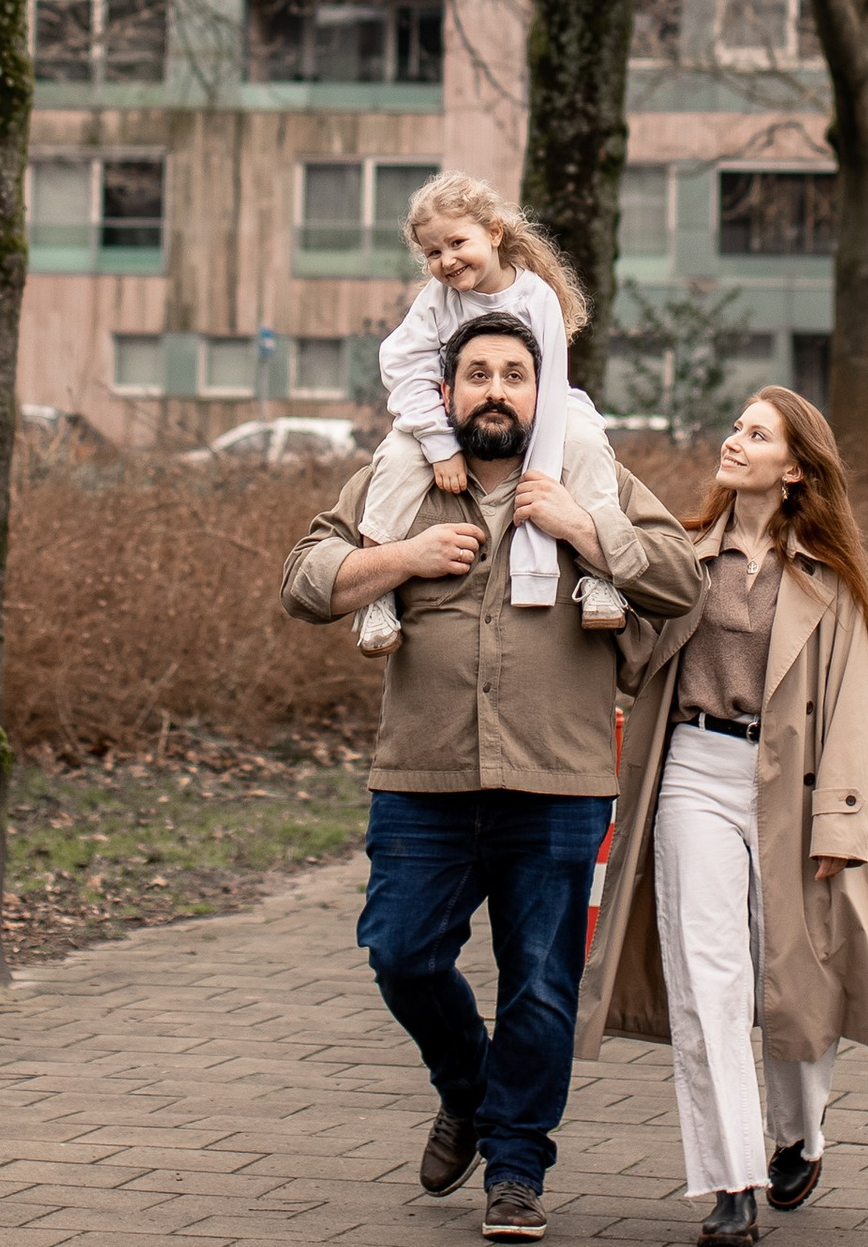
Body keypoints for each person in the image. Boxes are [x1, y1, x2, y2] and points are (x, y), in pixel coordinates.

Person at [282, 312, 703, 1244]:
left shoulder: (588, 473)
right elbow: (304, 581)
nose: (497, 390)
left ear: (543, 393)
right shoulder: (400, 477)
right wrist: (402, 558)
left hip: (559, 781)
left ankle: (516, 1169)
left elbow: (682, 581)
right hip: (422, 779)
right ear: (447, 393)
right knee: (399, 953)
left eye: (516, 373)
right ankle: (468, 1090)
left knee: (541, 985)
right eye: (478, 374)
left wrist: (584, 528)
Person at [576, 388, 868, 1246]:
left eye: (756, 434)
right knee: (710, 983)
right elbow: (634, 667)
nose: (734, 441)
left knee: (794, 975)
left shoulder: (830, 577)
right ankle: (731, 1182)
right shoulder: (685, 555)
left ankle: (797, 1132)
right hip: (692, 771)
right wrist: (607, 594)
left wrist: (841, 823)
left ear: (794, 468)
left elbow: (849, 707)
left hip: (789, 789)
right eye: (736, 428)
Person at [355, 172, 629, 653]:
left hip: (536, 406)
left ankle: (600, 572)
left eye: (457, 243)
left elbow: (549, 386)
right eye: (433, 253)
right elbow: (402, 365)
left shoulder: (536, 298)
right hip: (451, 414)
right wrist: (439, 443)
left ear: (495, 233)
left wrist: (540, 473)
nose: (446, 260)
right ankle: (375, 593)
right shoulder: (437, 300)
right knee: (395, 457)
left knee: (587, 440)